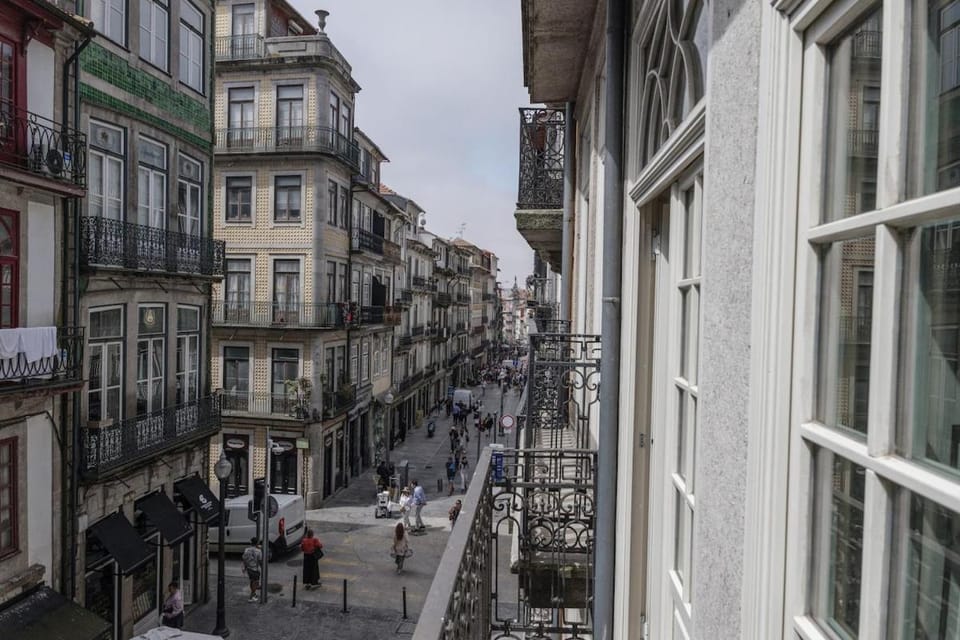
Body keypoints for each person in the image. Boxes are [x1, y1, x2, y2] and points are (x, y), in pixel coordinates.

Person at [241, 538, 262, 602]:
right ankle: (251, 596)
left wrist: (244, 567)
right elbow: (260, 560)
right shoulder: (258, 551)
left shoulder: (247, 550)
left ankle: (254, 593)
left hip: (249, 568)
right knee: (255, 582)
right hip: (255, 569)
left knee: (252, 581)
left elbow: (244, 559)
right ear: (257, 543)